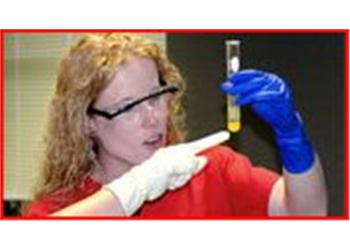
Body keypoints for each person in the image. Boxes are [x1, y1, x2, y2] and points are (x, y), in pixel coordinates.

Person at [25, 33, 327, 217]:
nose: (154, 116)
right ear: (87, 121)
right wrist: (137, 187)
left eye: (157, 96)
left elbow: (308, 213)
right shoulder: (62, 207)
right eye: (129, 106)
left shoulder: (208, 169)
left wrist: (292, 135)